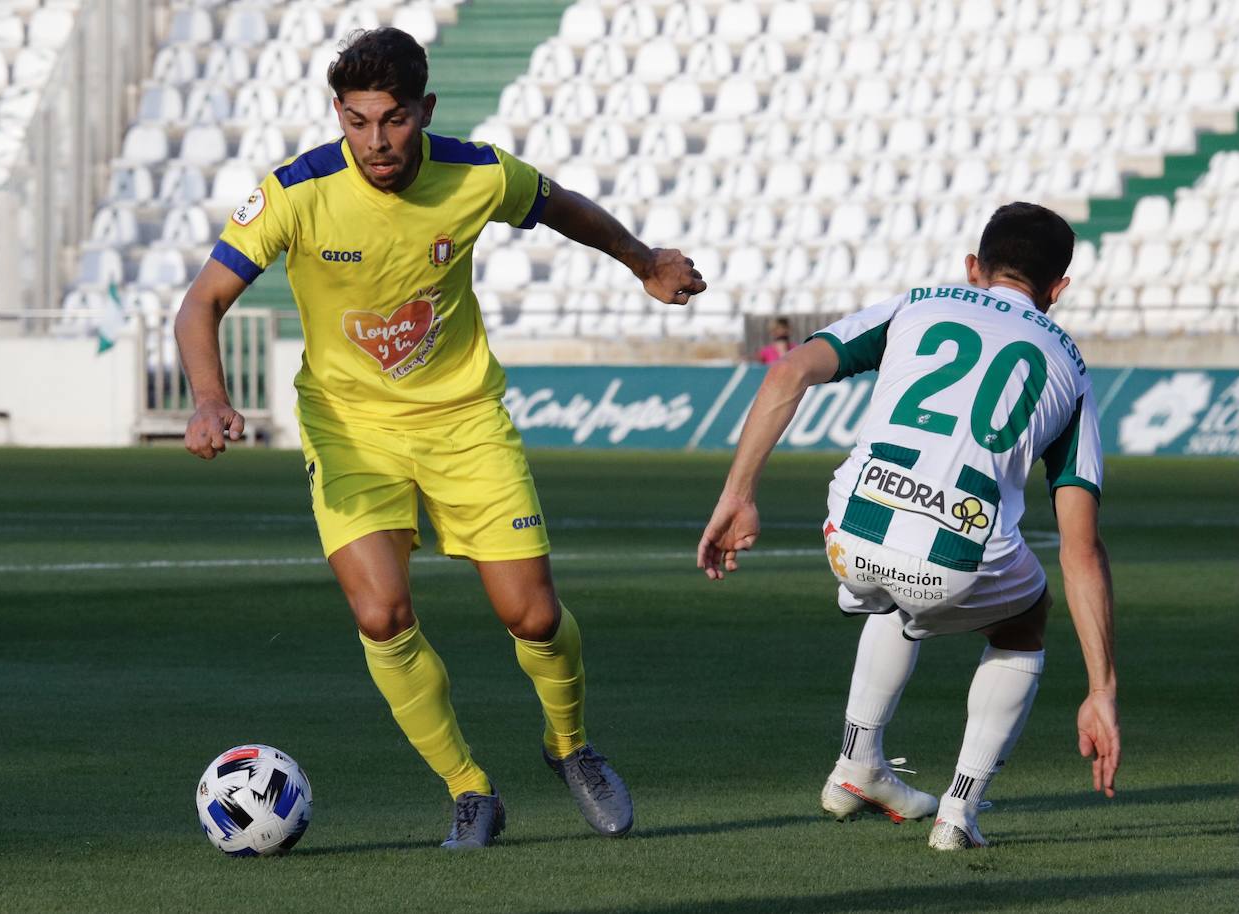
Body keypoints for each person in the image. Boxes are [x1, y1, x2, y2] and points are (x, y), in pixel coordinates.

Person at [175, 28, 706, 850]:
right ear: (338, 116)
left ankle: (569, 747)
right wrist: (210, 399)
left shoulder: (478, 173)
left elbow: (560, 206)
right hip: (350, 431)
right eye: (355, 121)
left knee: (530, 617)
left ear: (424, 109)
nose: (374, 141)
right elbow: (201, 302)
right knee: (382, 614)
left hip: (465, 423)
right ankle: (469, 789)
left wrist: (641, 259)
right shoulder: (295, 191)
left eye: (391, 120)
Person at [697, 203, 1119, 850]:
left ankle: (857, 765)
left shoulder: (919, 303)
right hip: (958, 553)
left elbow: (788, 370)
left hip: (851, 527)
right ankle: (959, 809)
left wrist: (738, 494)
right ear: (1058, 289)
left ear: (974, 268)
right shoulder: (1070, 368)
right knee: (1024, 621)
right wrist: (1100, 689)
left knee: (892, 590)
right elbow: (1080, 549)